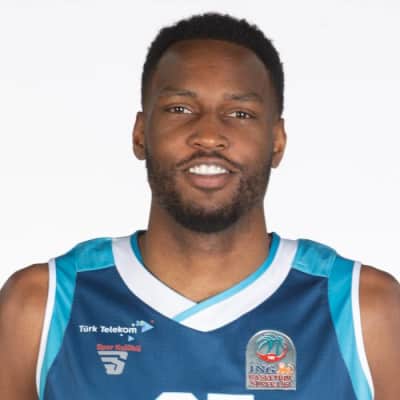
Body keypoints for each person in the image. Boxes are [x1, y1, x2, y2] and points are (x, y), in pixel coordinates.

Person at [0, 12, 399, 400]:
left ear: (277, 141)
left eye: (240, 113)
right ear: (140, 134)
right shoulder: (43, 305)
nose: (208, 135)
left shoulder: (363, 310)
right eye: (180, 109)